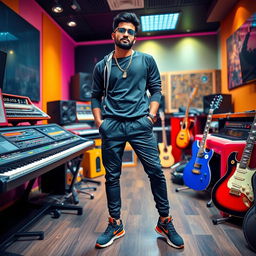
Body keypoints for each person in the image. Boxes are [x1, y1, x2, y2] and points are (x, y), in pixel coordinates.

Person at [91, 12, 184, 249]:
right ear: (113, 34)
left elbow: (156, 89)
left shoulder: (146, 60)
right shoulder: (102, 66)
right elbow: (94, 96)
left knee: (155, 171)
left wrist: (151, 116)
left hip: (140, 125)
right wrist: (100, 122)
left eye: (131, 31)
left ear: (135, 37)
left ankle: (164, 221)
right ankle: (115, 223)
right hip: (111, 125)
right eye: (122, 30)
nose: (126, 34)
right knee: (112, 176)